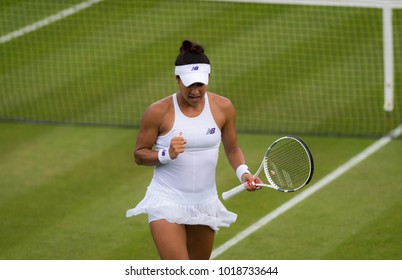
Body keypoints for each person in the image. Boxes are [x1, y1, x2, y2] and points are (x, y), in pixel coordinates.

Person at [126, 40, 262, 260]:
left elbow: (233, 148)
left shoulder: (223, 107)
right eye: (189, 84)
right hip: (166, 202)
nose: (196, 91)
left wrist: (243, 173)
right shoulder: (157, 112)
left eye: (201, 84)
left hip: (205, 204)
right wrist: (165, 154)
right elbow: (139, 155)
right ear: (177, 80)